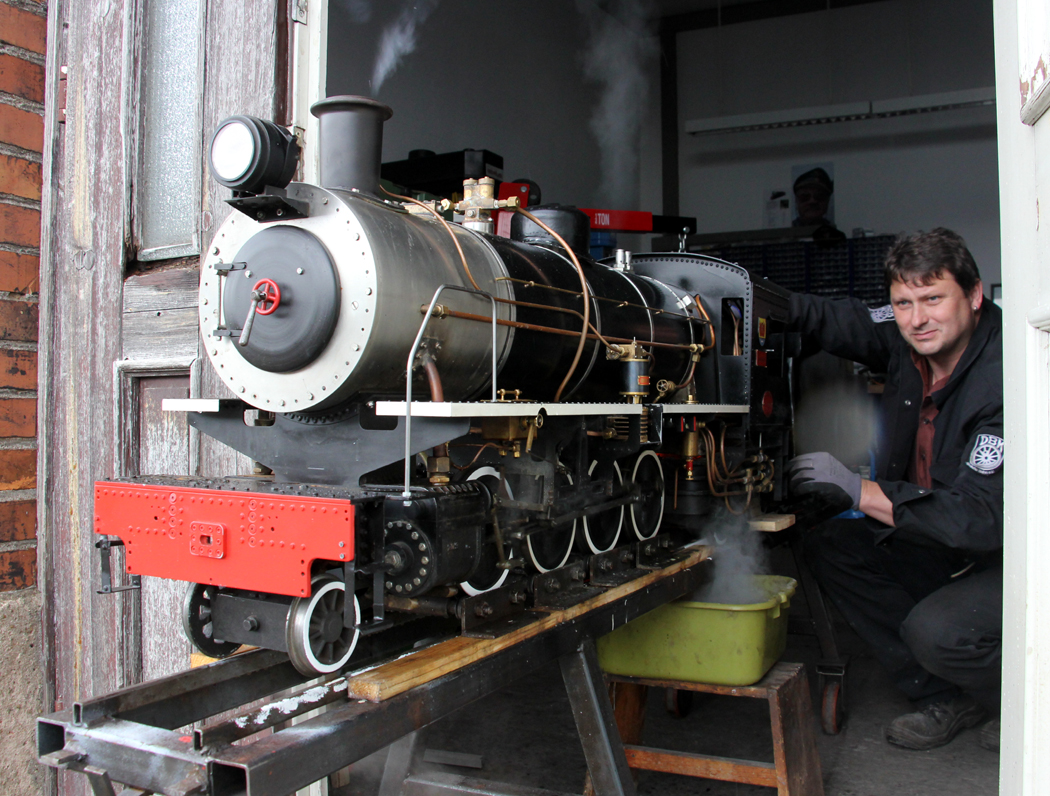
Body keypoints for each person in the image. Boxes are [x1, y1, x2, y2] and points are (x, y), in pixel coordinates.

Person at [787, 228, 1002, 752]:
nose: (917, 318)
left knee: (937, 631)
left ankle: (1016, 696)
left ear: (974, 296)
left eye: (933, 298)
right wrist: (736, 295)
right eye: (903, 302)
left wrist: (859, 491)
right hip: (932, 535)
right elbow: (834, 318)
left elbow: (977, 520)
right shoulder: (908, 340)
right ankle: (948, 693)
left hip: (1004, 559)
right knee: (829, 545)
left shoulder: (1005, 381)